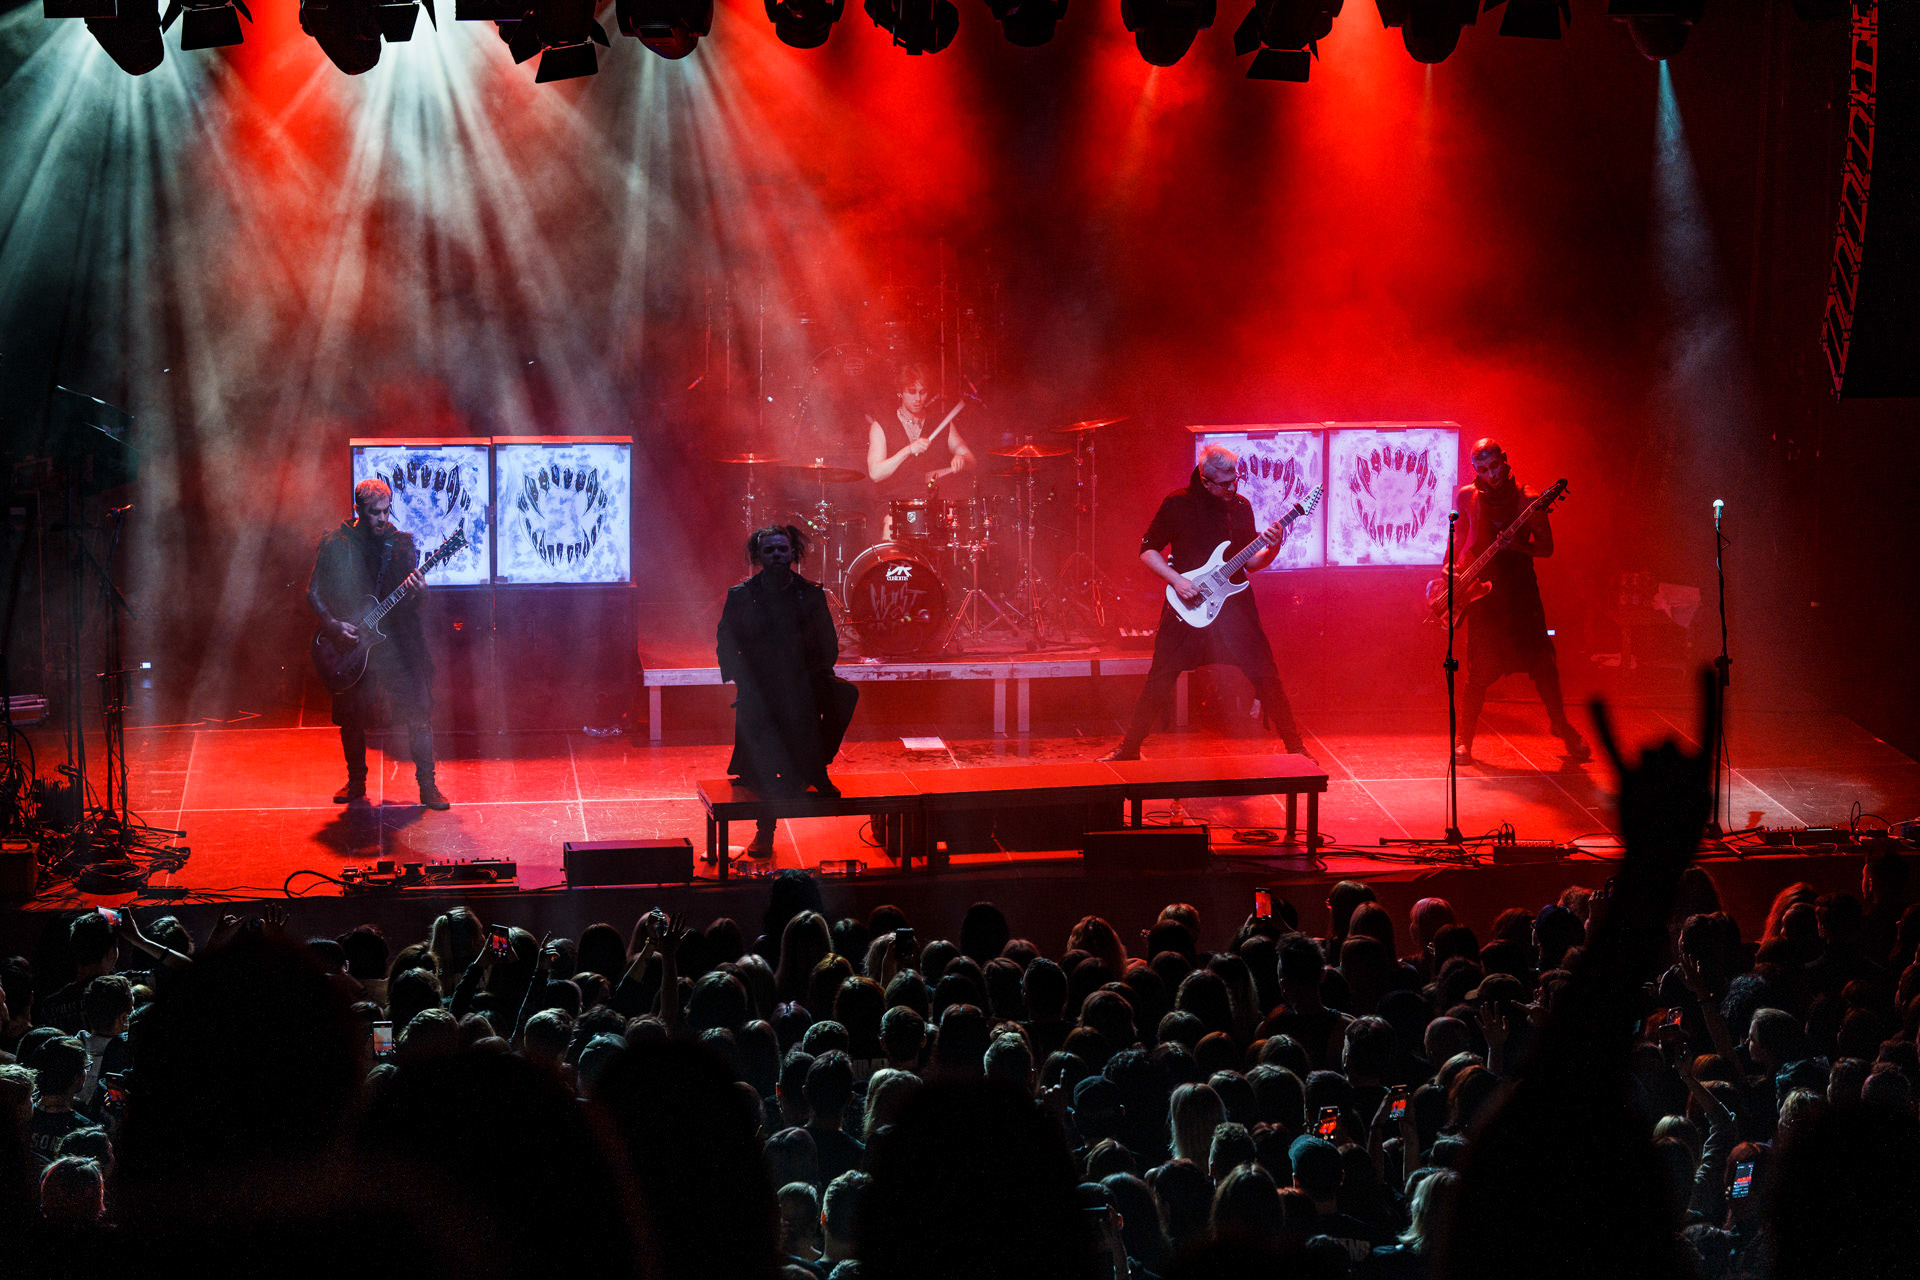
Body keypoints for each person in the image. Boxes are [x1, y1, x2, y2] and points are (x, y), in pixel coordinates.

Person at [1102, 445, 1306, 761]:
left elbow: (1250, 563)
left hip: (1234, 607)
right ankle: (1129, 748)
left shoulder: (1240, 507)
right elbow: (1148, 550)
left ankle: (1296, 748)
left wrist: (1275, 548)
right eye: (1224, 483)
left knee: (1266, 674)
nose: (1232, 487)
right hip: (1190, 604)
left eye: (1235, 480)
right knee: (1160, 678)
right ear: (1205, 479)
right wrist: (1177, 580)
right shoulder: (1177, 504)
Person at [717, 525, 859, 860]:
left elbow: (827, 641)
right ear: (758, 557)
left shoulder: (809, 594)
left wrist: (819, 675)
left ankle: (816, 768)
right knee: (769, 769)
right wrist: (740, 678)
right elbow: (727, 639)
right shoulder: (741, 595)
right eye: (770, 551)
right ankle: (765, 832)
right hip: (761, 688)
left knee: (843, 698)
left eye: (782, 550)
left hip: (801, 684)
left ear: (792, 553)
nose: (777, 556)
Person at [307, 477, 448, 809]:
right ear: (358, 510)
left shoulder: (400, 546)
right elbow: (311, 591)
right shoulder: (337, 544)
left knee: (418, 712)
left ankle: (428, 787)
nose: (383, 519)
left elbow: (416, 603)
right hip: (354, 642)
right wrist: (333, 624)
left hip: (399, 644)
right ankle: (356, 783)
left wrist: (421, 590)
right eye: (375, 513)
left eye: (386, 511)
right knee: (351, 714)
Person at [1450, 439, 1589, 765]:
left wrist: (1517, 546)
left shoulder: (1530, 499)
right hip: (1484, 591)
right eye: (1482, 470)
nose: (1491, 474)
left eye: (1494, 466)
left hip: (1521, 592)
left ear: (1505, 460)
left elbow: (1546, 548)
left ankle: (1562, 727)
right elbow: (1459, 537)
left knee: (1543, 665)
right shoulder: (1467, 496)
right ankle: (1464, 740)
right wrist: (1451, 567)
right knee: (1478, 671)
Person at [864, 362, 977, 533]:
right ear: (900, 392)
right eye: (912, 392)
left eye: (923, 392)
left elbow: (970, 458)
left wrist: (962, 458)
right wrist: (908, 450)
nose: (918, 398)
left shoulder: (941, 422)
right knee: (890, 523)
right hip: (894, 504)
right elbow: (875, 473)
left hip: (932, 502)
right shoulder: (882, 426)